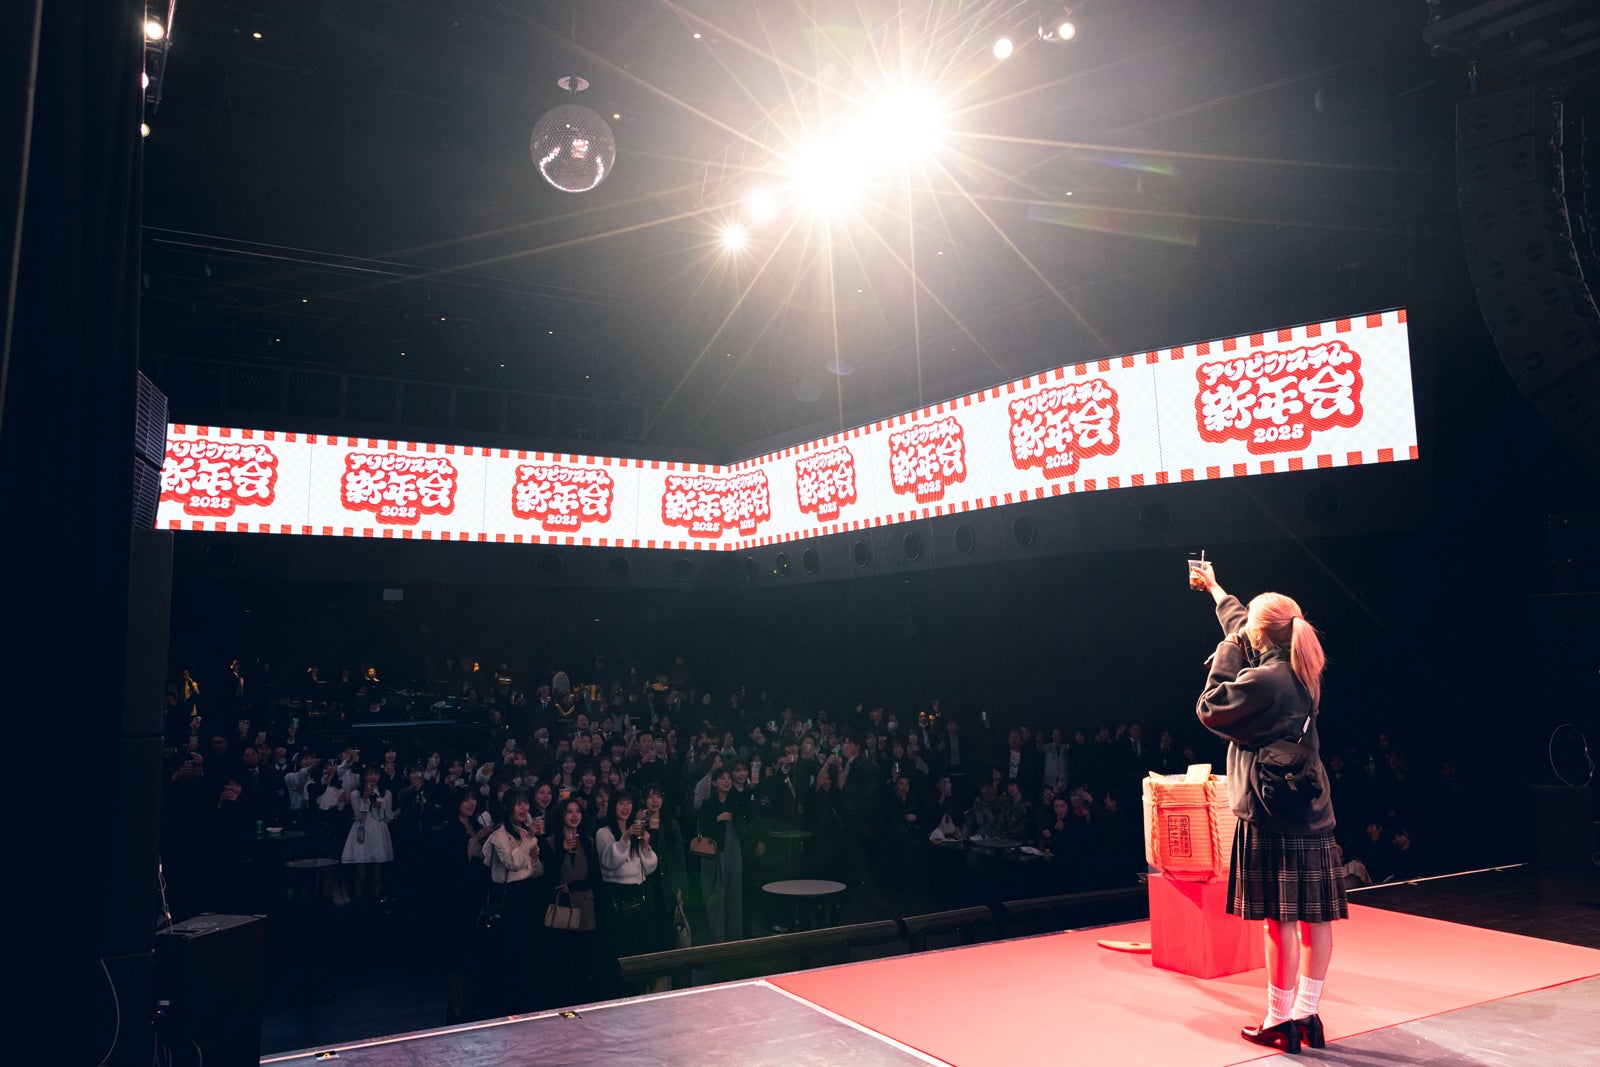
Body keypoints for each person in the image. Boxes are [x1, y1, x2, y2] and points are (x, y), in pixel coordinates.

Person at [1194, 561, 1344, 1055]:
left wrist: (1226, 650)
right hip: (1311, 807)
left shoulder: (1263, 680)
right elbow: (1246, 624)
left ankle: (1279, 1021)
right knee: (1313, 918)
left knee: (1278, 920)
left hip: (1270, 810)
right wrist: (1217, 589)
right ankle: (1307, 1015)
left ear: (1259, 637)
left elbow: (1210, 707)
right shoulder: (1303, 668)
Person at [595, 789, 658, 994]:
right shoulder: (604, 833)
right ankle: (621, 993)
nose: (625, 807)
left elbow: (648, 868)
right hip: (616, 896)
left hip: (639, 894)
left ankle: (641, 991)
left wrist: (646, 845)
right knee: (621, 950)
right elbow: (610, 863)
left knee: (640, 947)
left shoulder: (637, 830)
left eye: (628, 803)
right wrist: (626, 837)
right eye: (620, 803)